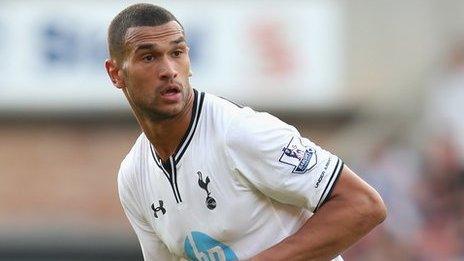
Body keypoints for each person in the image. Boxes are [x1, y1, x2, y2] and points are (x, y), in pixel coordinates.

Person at [105, 3, 386, 261]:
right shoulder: (133, 176)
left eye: (177, 53)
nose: (169, 70)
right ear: (116, 74)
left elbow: (363, 205)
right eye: (149, 57)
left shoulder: (240, 132)